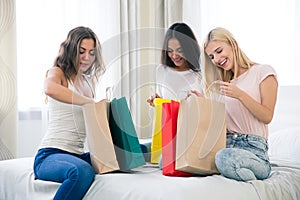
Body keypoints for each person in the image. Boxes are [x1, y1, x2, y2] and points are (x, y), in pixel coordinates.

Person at [193, 27, 278, 181]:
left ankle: (250, 186)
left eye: (219, 51)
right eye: (211, 56)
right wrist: (201, 103)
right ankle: (226, 170)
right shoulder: (224, 84)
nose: (216, 60)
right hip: (223, 146)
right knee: (168, 160)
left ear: (233, 44)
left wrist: (239, 95)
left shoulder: (262, 72)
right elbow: (218, 124)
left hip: (254, 152)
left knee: (224, 158)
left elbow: (267, 116)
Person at [33, 26, 105, 200]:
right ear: (71, 49)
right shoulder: (57, 73)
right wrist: (88, 102)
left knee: (130, 153)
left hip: (77, 155)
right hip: (50, 155)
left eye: (91, 53)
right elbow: (49, 88)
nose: (86, 57)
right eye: (81, 51)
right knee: (81, 172)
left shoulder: (88, 83)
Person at [147, 22, 203, 106]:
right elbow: (163, 103)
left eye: (179, 50)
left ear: (189, 48)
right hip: (168, 119)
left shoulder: (201, 73)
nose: (174, 55)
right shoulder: (161, 70)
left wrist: (200, 102)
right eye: (170, 50)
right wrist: (156, 101)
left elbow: (210, 108)